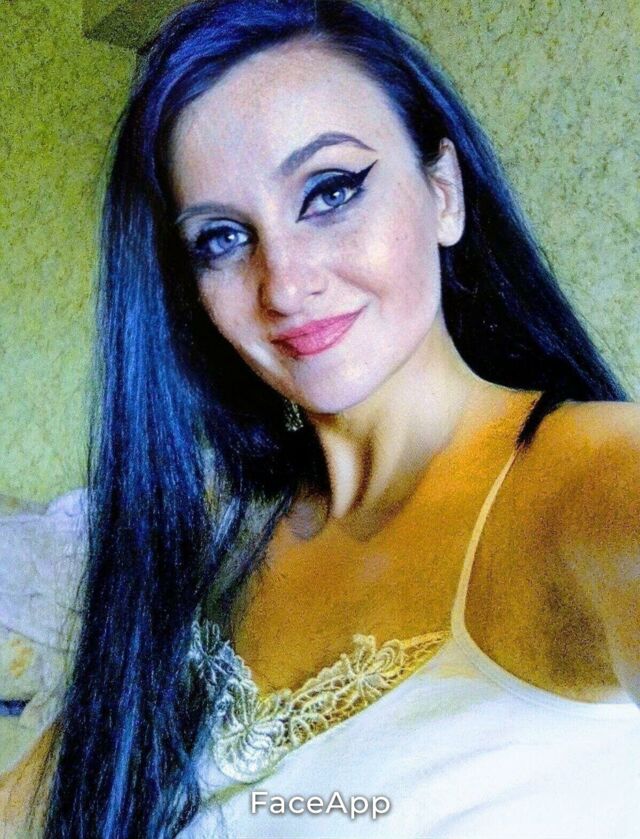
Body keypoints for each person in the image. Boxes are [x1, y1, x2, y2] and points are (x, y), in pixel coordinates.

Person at [1, 0, 638, 837]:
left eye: (330, 191)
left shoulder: (589, 479)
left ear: (443, 192)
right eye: (222, 239)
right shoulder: (213, 543)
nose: (285, 283)